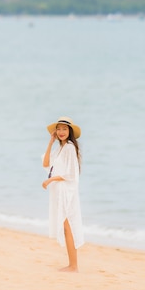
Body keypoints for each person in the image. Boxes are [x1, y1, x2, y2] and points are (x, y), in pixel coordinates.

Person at [42, 116, 84, 272]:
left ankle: (73, 266)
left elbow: (71, 174)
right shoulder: (60, 148)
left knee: (69, 227)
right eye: (58, 129)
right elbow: (46, 164)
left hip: (67, 191)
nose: (61, 132)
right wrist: (50, 142)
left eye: (64, 129)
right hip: (59, 191)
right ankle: (72, 265)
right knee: (66, 227)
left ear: (70, 131)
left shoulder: (70, 148)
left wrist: (50, 179)